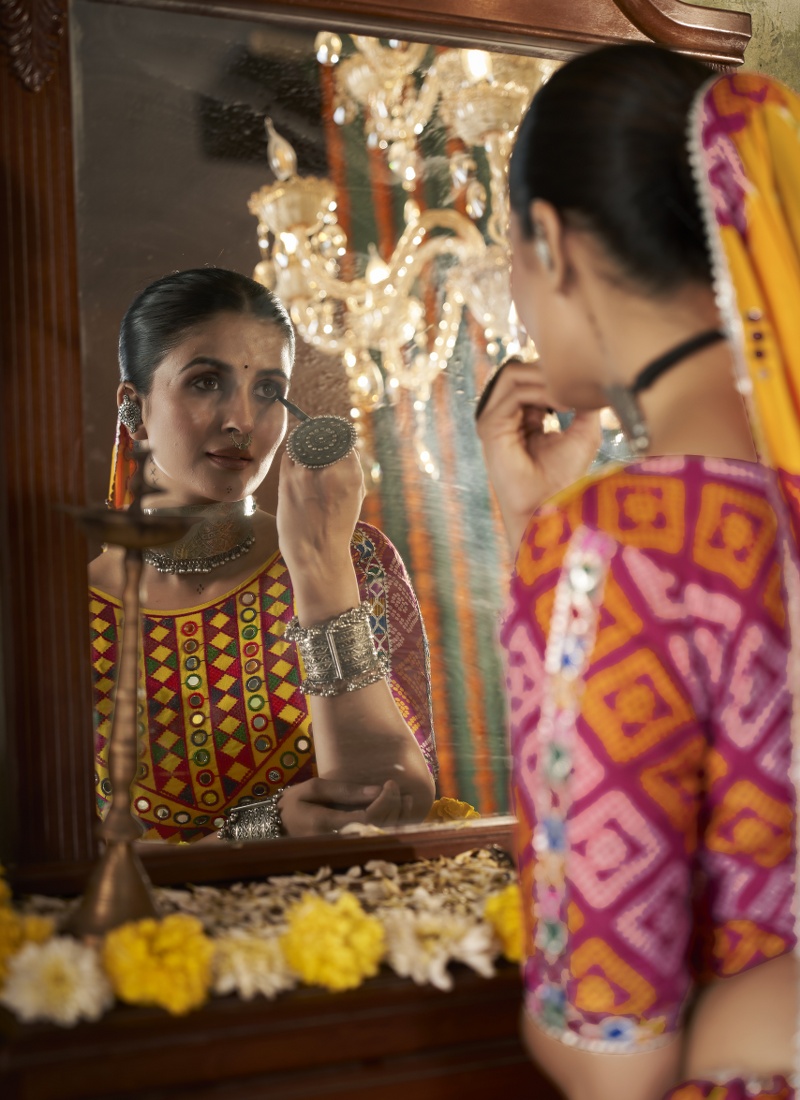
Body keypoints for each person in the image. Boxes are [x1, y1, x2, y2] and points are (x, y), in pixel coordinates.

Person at [477, 44, 800, 1100]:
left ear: (551, 242)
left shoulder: (612, 552)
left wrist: (558, 550)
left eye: (509, 253)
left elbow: (614, 1060)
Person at [89, 267, 436, 842]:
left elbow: (395, 800)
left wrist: (319, 570)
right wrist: (261, 829)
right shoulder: (64, 615)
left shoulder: (353, 560)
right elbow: (53, 859)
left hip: (345, 923)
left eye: (268, 390)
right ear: (135, 407)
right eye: (205, 382)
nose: (243, 421)